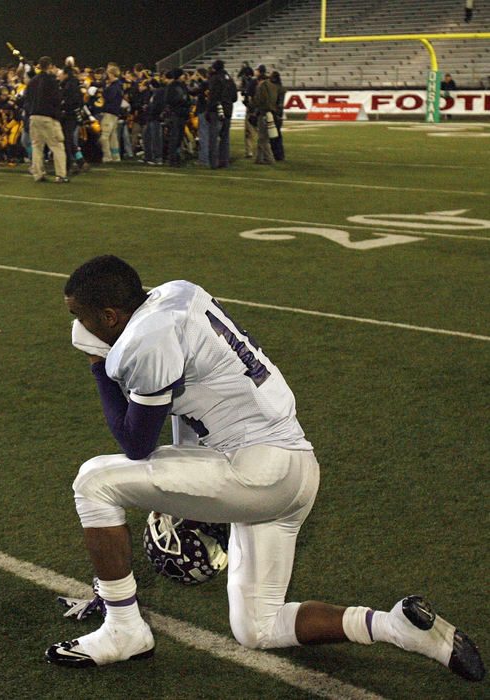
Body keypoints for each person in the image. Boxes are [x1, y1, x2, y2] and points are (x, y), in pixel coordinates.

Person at [45, 254, 485, 686]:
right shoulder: (177, 293)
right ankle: (395, 627)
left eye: (81, 318)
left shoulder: (144, 340)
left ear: (109, 316)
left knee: (93, 482)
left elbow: (135, 445)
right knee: (258, 627)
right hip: (293, 469)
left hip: (254, 472)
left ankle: (124, 629)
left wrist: (98, 365)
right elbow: (192, 408)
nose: (77, 327)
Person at [24, 56, 69, 183]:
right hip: (48, 117)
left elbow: (26, 100)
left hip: (34, 117)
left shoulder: (32, 81)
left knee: (37, 146)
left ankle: (38, 174)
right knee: (57, 146)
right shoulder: (52, 81)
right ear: (50, 66)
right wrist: (59, 113)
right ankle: (60, 175)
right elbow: (56, 99)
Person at [206, 60, 237, 169]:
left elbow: (212, 96)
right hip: (228, 110)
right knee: (225, 138)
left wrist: (208, 111)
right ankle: (224, 162)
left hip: (217, 111)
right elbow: (235, 97)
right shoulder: (229, 79)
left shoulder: (214, 79)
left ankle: (213, 163)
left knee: (213, 138)